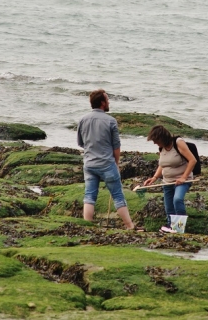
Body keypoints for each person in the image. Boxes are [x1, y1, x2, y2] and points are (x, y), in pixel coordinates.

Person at [77, 89, 136, 230]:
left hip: (89, 163)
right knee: (118, 196)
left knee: (89, 196)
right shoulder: (111, 121)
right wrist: (116, 164)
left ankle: (87, 226)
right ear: (102, 103)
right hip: (107, 164)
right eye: (107, 99)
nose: (109, 102)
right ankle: (130, 226)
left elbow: (80, 143)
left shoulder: (83, 119)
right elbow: (116, 146)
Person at [142, 125, 197, 233]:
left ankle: (179, 228)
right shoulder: (161, 147)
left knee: (177, 199)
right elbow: (163, 164)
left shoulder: (178, 143)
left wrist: (183, 177)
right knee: (169, 207)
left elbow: (192, 160)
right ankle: (170, 226)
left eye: (155, 140)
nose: (154, 143)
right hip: (167, 182)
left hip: (182, 181)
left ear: (162, 137)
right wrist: (154, 178)